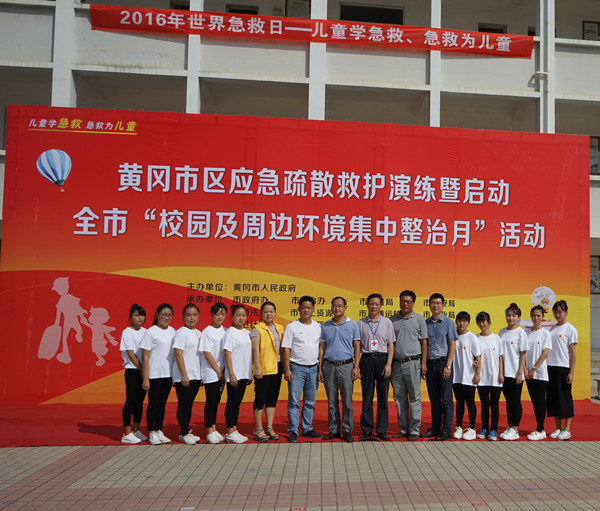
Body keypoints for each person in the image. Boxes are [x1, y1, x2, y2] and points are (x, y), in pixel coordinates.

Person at [281, 296, 323, 443]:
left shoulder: (318, 327)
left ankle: (307, 428)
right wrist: (287, 369)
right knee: (294, 401)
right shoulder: (292, 326)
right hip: (296, 368)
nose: (306, 310)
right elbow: (286, 349)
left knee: (310, 401)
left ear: (313, 310)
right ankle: (293, 430)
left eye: (309, 307)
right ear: (298, 309)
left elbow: (321, 349)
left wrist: (320, 369)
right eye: (303, 307)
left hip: (313, 368)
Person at [319, 296, 360, 443]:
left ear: (345, 308)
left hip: (346, 366)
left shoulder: (352, 324)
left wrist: (356, 367)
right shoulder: (326, 326)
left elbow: (357, 346)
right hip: (329, 366)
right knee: (332, 401)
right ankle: (334, 429)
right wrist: (320, 368)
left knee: (347, 401)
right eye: (334, 305)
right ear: (331, 308)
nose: (337, 308)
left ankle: (347, 430)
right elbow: (322, 348)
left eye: (340, 305)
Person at [390, 290, 428, 441]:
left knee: (414, 397)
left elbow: (424, 342)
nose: (405, 304)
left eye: (408, 301)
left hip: (413, 363)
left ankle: (414, 429)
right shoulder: (392, 320)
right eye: (403, 301)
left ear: (413, 303)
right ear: (399, 301)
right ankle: (403, 428)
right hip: (396, 364)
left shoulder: (419, 319)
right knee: (399, 398)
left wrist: (423, 363)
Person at [357, 293, 395, 441]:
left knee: (383, 396)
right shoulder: (360, 323)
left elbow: (391, 344)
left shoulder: (387, 323)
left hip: (382, 360)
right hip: (366, 360)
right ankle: (366, 429)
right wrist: (357, 365)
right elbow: (357, 346)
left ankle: (381, 429)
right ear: (367, 305)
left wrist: (388, 364)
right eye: (371, 303)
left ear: (381, 306)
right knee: (367, 396)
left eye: (376, 304)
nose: (374, 306)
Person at [421, 293, 457, 441]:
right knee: (434, 399)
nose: (435, 305)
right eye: (433, 303)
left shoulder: (448, 323)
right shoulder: (425, 323)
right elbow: (424, 344)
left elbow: (452, 344)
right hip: (430, 365)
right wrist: (423, 363)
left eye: (438, 303)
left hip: (443, 364)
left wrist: (448, 366)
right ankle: (435, 427)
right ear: (429, 305)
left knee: (446, 398)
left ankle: (446, 430)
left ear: (443, 305)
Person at [141, 303, 176, 445]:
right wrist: (145, 378)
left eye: (169, 315)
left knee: (162, 404)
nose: (166, 318)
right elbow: (145, 357)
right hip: (154, 374)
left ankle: (159, 429)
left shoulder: (173, 331)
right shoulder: (151, 332)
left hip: (168, 373)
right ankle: (151, 432)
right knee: (153, 403)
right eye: (164, 315)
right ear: (157, 315)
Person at [250, 301, 285, 442]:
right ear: (261, 313)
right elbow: (255, 350)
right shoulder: (257, 329)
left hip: (277, 367)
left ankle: (269, 427)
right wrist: (257, 368)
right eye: (265, 311)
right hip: (263, 368)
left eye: (271, 311)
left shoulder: (280, 328)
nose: (268, 314)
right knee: (260, 398)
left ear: (275, 313)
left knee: (272, 398)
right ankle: (258, 429)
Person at [547, 300, 577, 440]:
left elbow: (573, 352)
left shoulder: (570, 329)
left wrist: (571, 372)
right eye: (555, 312)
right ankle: (558, 428)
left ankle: (567, 429)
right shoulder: (551, 329)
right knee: (553, 399)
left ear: (566, 312)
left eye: (560, 312)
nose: (557, 315)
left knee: (565, 399)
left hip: (563, 368)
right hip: (550, 367)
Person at [172, 303, 202, 445]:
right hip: (184, 376)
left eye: (194, 315)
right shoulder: (181, 333)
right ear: (183, 317)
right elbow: (178, 354)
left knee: (189, 405)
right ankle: (184, 432)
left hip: (195, 375)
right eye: (188, 315)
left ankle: (184, 432)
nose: (192, 318)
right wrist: (184, 375)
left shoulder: (199, 333)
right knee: (184, 405)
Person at [223, 304, 252, 444]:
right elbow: (227, 353)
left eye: (243, 315)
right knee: (232, 402)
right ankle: (229, 431)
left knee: (237, 403)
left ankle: (234, 430)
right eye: (238, 315)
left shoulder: (247, 332)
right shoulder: (230, 332)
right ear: (232, 317)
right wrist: (231, 374)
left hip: (244, 373)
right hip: (234, 374)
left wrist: (249, 374)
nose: (241, 318)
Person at [498, 302, 528, 441]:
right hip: (504, 373)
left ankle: (515, 429)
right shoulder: (502, 332)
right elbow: (499, 354)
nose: (511, 318)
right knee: (509, 401)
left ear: (518, 318)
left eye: (514, 316)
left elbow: (523, 354)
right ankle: (510, 426)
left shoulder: (521, 333)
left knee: (515, 401)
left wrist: (520, 372)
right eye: (508, 315)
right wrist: (500, 372)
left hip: (515, 373)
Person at [199, 302, 227, 444]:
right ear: (212, 315)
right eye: (217, 314)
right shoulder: (207, 331)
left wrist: (223, 370)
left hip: (222, 372)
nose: (219, 317)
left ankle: (214, 429)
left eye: (222, 314)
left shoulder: (226, 330)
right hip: (211, 372)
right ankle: (209, 431)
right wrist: (217, 370)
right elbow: (207, 353)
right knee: (210, 401)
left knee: (216, 401)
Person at [120, 304, 148, 444]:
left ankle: (136, 430)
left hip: (144, 371)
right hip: (132, 370)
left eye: (142, 315)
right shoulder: (127, 332)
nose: (140, 318)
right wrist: (142, 369)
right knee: (130, 401)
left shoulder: (146, 332)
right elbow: (131, 354)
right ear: (131, 317)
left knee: (139, 402)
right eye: (137, 315)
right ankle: (126, 432)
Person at [452, 311, 481, 441]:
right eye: (459, 321)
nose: (461, 323)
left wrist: (477, 374)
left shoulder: (472, 337)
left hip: (469, 376)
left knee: (470, 402)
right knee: (459, 402)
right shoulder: (453, 336)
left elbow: (478, 356)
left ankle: (472, 428)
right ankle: (458, 426)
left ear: (468, 323)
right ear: (456, 321)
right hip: (456, 376)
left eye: (464, 321)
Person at [525, 305, 552, 441]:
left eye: (538, 315)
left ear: (542, 317)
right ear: (531, 316)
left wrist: (534, 369)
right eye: (534, 315)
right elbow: (523, 352)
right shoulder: (526, 333)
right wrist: (525, 369)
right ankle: (539, 428)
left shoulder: (545, 333)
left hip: (540, 373)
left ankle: (540, 429)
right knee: (535, 402)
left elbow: (545, 353)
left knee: (540, 401)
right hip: (528, 374)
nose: (536, 318)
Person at [475, 311, 503, 441]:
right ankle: (484, 428)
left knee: (495, 405)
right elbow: (473, 357)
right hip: (482, 378)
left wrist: (501, 373)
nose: (482, 324)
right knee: (484, 405)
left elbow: (500, 357)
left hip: (495, 378)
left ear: (489, 322)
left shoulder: (496, 338)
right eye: (479, 322)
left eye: (484, 321)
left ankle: (494, 430)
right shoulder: (475, 339)